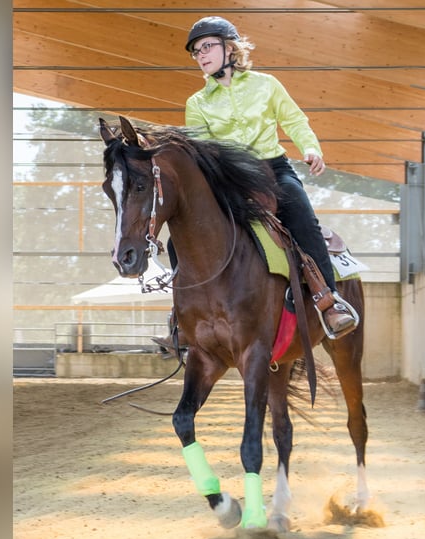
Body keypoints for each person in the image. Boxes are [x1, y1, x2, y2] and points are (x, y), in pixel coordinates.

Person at [153, 16, 357, 353]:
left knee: (302, 212)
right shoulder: (197, 104)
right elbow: (204, 152)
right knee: (179, 240)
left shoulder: (267, 85)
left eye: (207, 47)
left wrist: (310, 147)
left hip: (273, 170)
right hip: (227, 178)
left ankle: (328, 302)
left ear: (229, 47)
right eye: (196, 52)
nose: (201, 55)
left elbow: (294, 119)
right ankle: (181, 317)